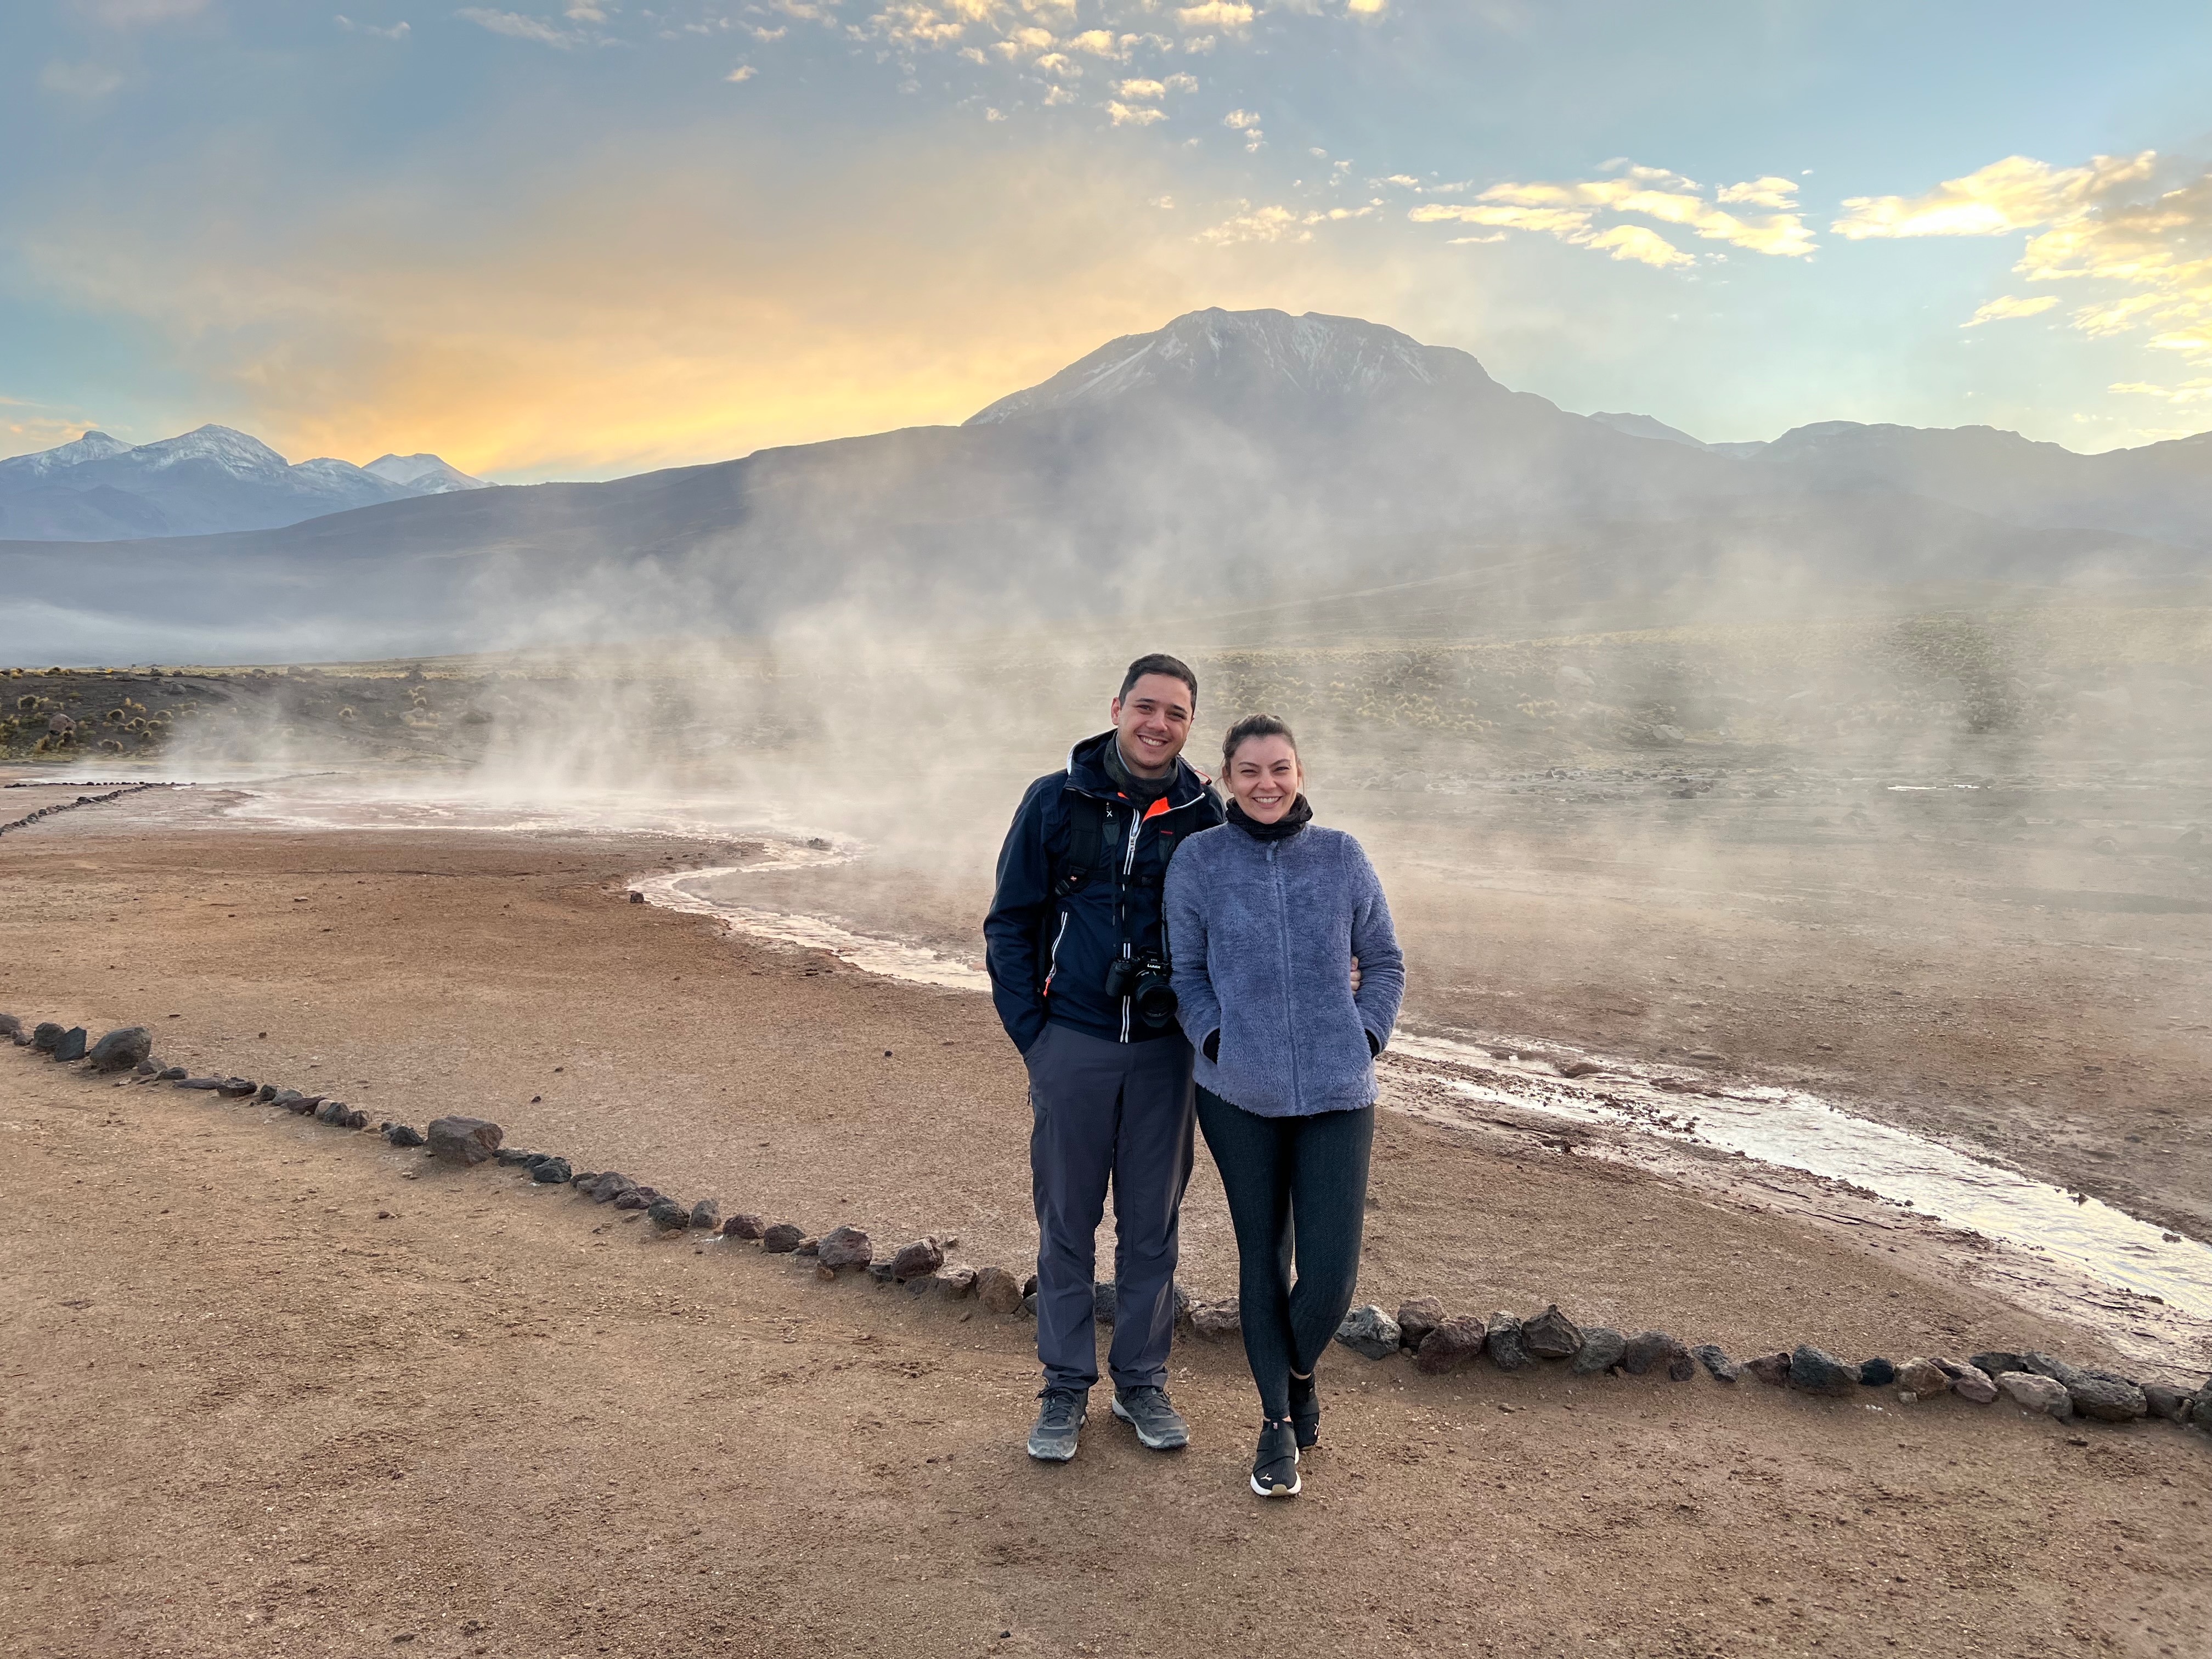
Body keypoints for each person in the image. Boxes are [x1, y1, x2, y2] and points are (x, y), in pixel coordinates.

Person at [984, 653, 1225, 1463]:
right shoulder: (1055, 800)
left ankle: (1141, 1382)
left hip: (1165, 1055)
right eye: (1146, 707)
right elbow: (1010, 922)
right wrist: (1036, 1037)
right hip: (1074, 1043)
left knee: (1152, 1228)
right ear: (1117, 707)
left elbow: (1241, 923)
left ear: (1190, 726)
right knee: (1067, 1224)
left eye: (1176, 713)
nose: (1159, 724)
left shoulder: (1203, 813)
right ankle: (1063, 1387)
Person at [1162, 713, 1406, 1499]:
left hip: (1338, 1091)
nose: (1266, 784)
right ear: (1229, 779)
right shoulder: (1201, 860)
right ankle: (1275, 1423)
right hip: (1238, 1092)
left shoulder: (1341, 856)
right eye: (1250, 771)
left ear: (1300, 774)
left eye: (1280, 769)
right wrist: (1217, 1040)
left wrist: (1365, 1036)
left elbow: (1385, 960)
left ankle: (1300, 1375)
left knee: (1330, 1275)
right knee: (1264, 1257)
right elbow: (1185, 973)